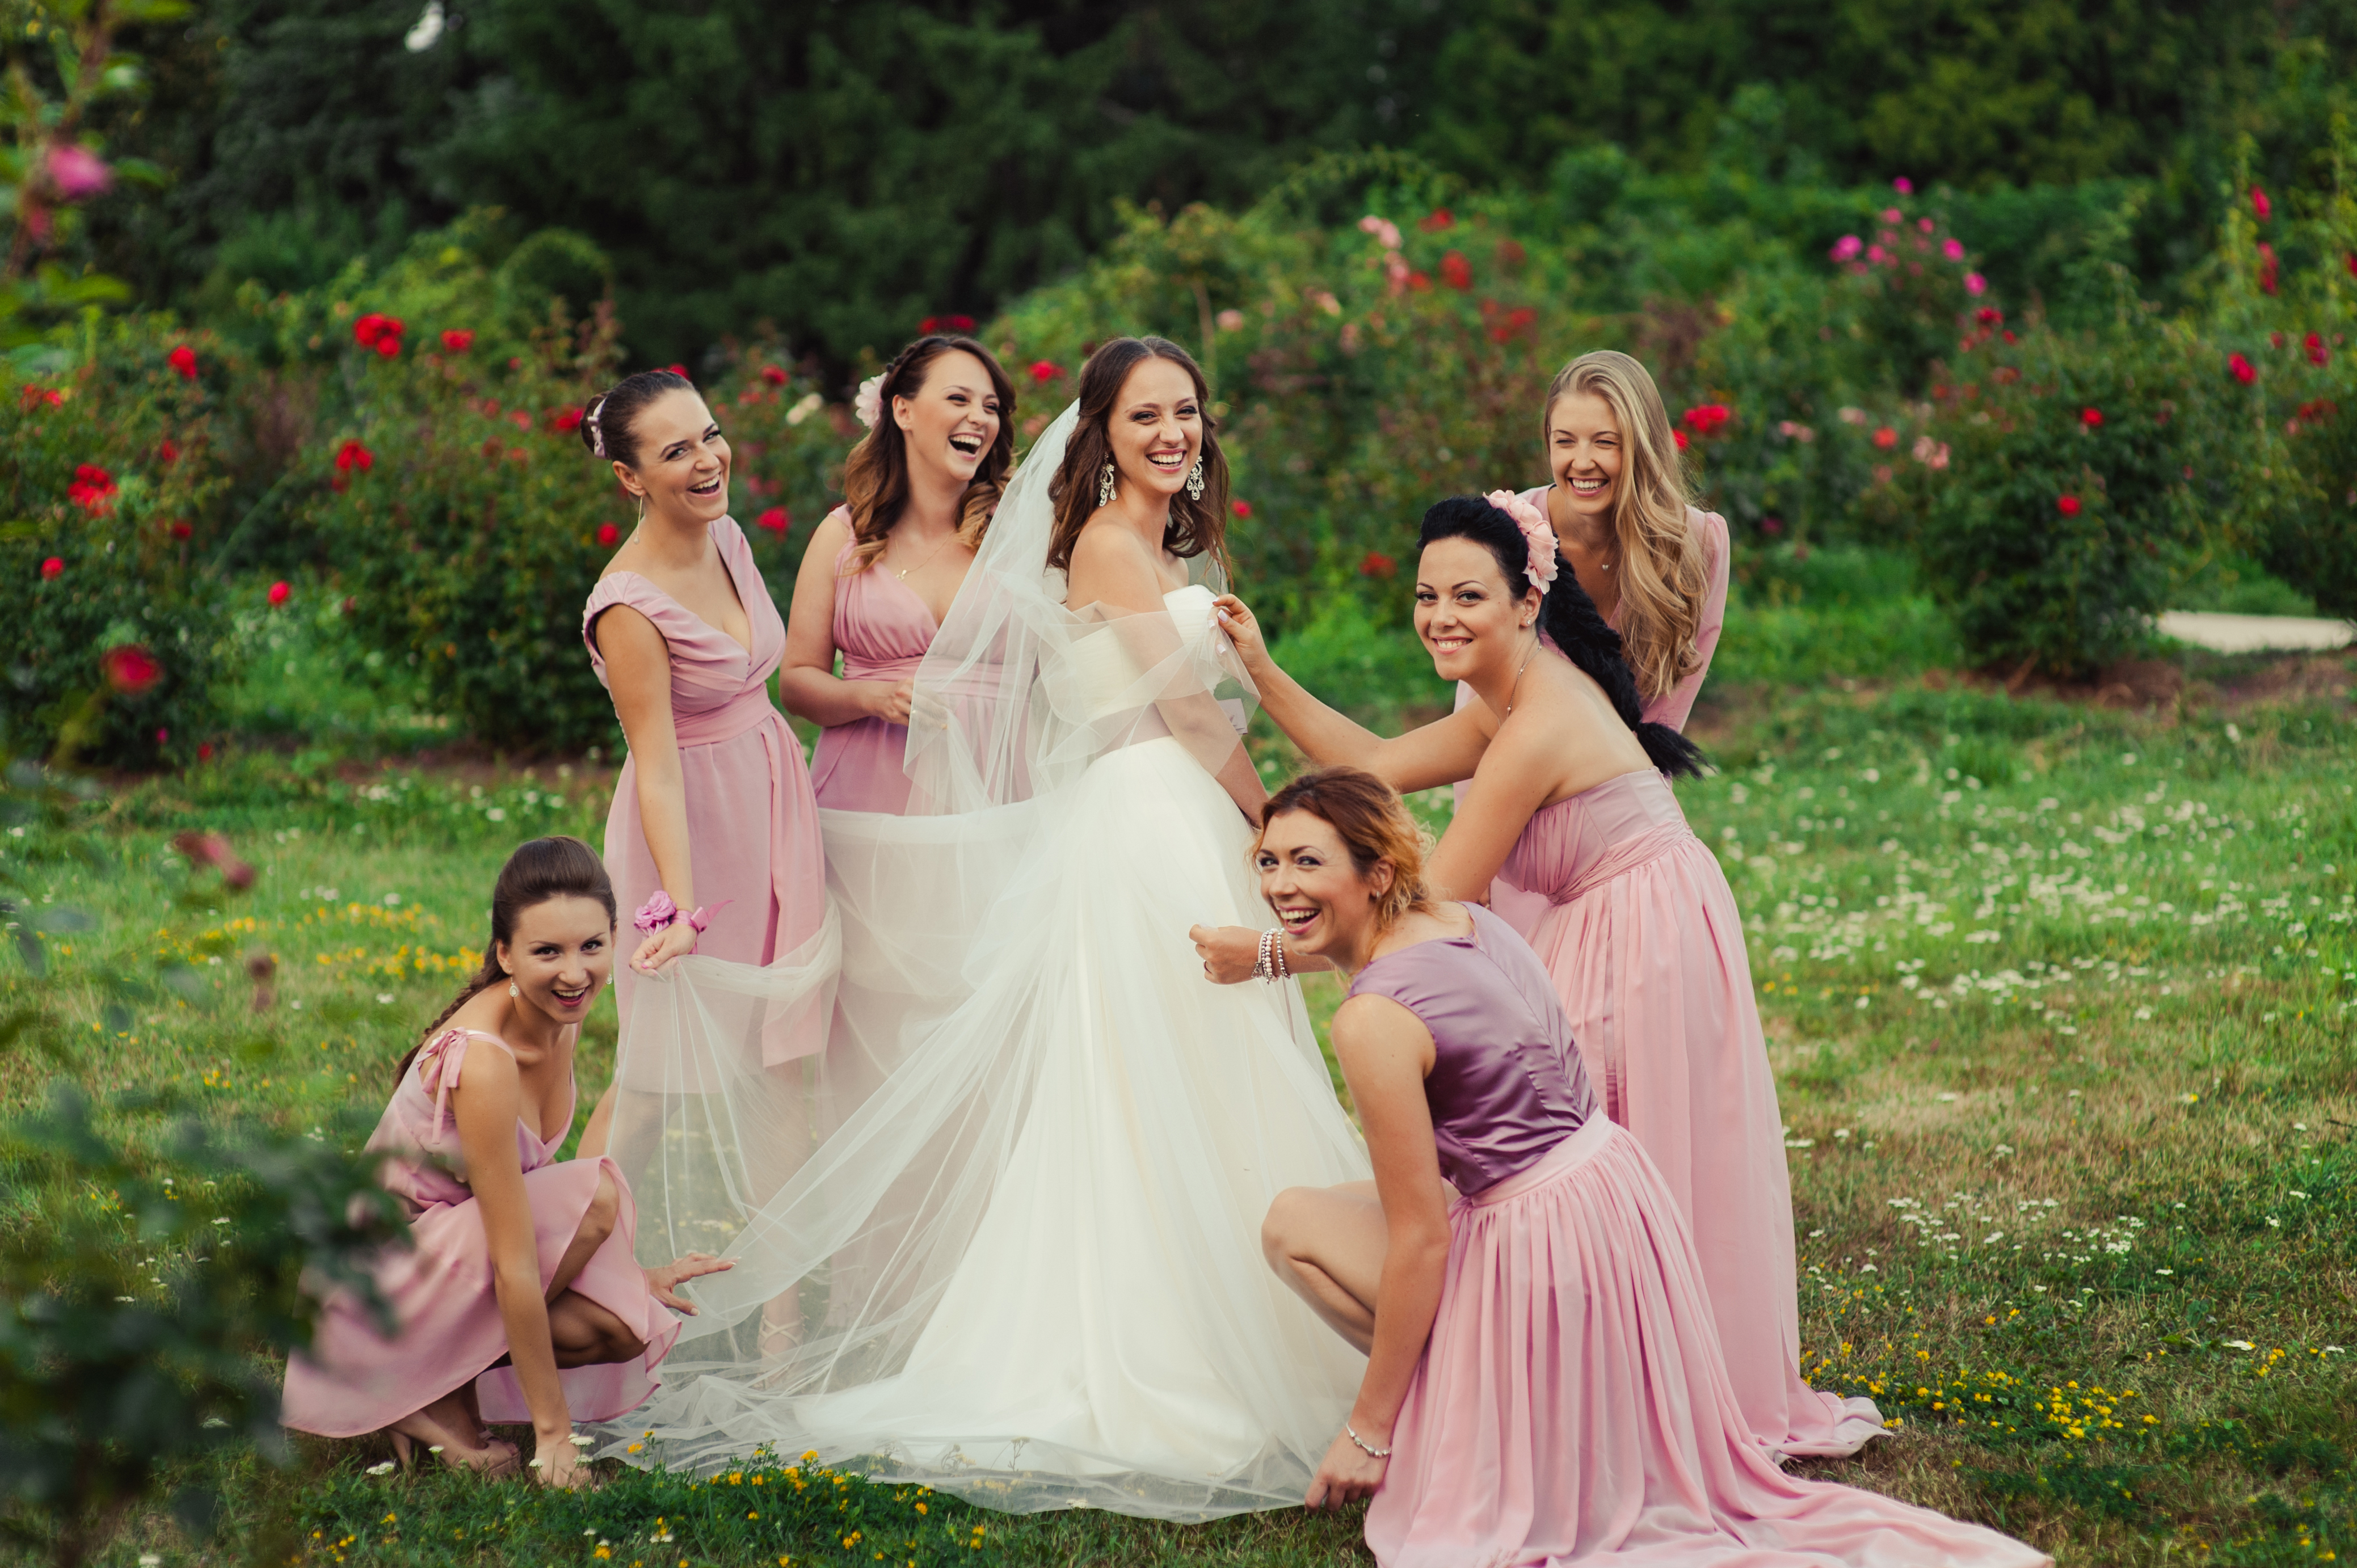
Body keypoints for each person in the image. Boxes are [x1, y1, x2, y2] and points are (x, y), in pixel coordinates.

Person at [599, 338, 1370, 1520]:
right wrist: (1280, 830)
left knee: (1194, 1069)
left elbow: (1114, 693)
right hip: (1136, 810)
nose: (1172, 432)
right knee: (1137, 1072)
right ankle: (1158, 1329)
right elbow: (1190, 713)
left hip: (1154, 813)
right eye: (1145, 415)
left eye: (1187, 412)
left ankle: (1236, 1303)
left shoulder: (1138, 541)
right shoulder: (1101, 547)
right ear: (1100, 434)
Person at [1202, 492, 1880, 1457]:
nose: (1438, 614)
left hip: (1634, 938)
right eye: (1425, 594)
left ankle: (1583, 1402)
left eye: (1465, 594)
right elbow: (1380, 762)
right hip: (1612, 914)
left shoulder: (1535, 723)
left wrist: (1265, 951)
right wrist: (1263, 671)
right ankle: (1579, 1388)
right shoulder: (1508, 700)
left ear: (1525, 603)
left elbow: (1420, 911)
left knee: (1574, 1162)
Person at [1248, 769, 2046, 1566]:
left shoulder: (1371, 1021)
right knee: (1329, 1209)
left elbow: (1422, 1238)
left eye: (1307, 862)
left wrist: (1370, 1430)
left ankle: (1452, 1423)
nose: (1281, 884)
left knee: (1293, 1226)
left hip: (1539, 1238)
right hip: (1613, 1199)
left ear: (1375, 873)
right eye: (1268, 860)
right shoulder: (1461, 919)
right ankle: (1491, 1398)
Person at [279, 837, 731, 1486]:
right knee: (600, 1196)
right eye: (547, 951)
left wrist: (629, 1274)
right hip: (369, 1293)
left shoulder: (557, 1015)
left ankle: (428, 1385)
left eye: (591, 947)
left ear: (613, 939)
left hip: (445, 1262)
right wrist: (554, 1439)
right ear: (504, 955)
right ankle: (403, 1379)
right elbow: (518, 1255)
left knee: (619, 1324)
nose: (574, 973)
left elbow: (545, 1197)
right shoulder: (484, 1060)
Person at [571, 368, 834, 1165]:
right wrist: (682, 910)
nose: (706, 460)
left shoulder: (727, 536)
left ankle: (780, 1293)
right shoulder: (626, 607)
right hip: (690, 831)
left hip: (773, 803)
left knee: (785, 1060)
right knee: (659, 1080)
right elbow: (655, 766)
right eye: (676, 450)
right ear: (630, 477)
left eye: (710, 435)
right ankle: (563, 1261)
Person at [1460, 348, 1731, 931]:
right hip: (1515, 811)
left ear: (1643, 445)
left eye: (1605, 442)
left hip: (1615, 815)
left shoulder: (1699, 542)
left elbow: (1665, 712)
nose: (1581, 462)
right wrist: (1477, 854)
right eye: (1564, 441)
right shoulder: (1510, 530)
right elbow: (1479, 704)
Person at [780, 335, 1015, 813]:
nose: (980, 417)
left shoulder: (1016, 538)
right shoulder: (842, 536)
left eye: (991, 407)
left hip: (996, 795)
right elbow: (797, 682)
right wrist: (871, 698)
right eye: (958, 399)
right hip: (867, 796)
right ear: (903, 411)